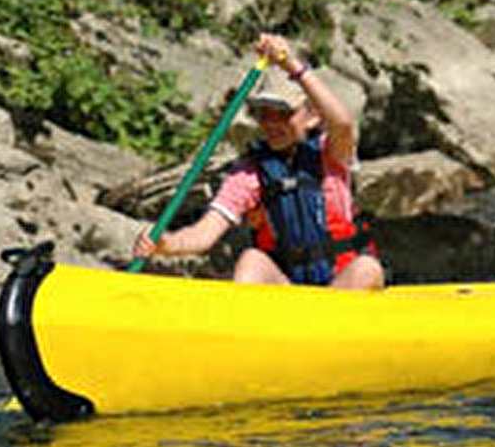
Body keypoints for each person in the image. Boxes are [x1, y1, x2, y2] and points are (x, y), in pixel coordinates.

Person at [131, 33, 385, 290]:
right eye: (265, 114)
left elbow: (343, 123)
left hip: (339, 289)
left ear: (312, 118)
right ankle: (257, 325)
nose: (272, 124)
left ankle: (332, 327)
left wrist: (291, 65)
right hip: (288, 290)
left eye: (284, 114)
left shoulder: (330, 153)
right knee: (251, 260)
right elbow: (205, 234)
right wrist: (166, 244)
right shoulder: (250, 172)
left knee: (368, 268)